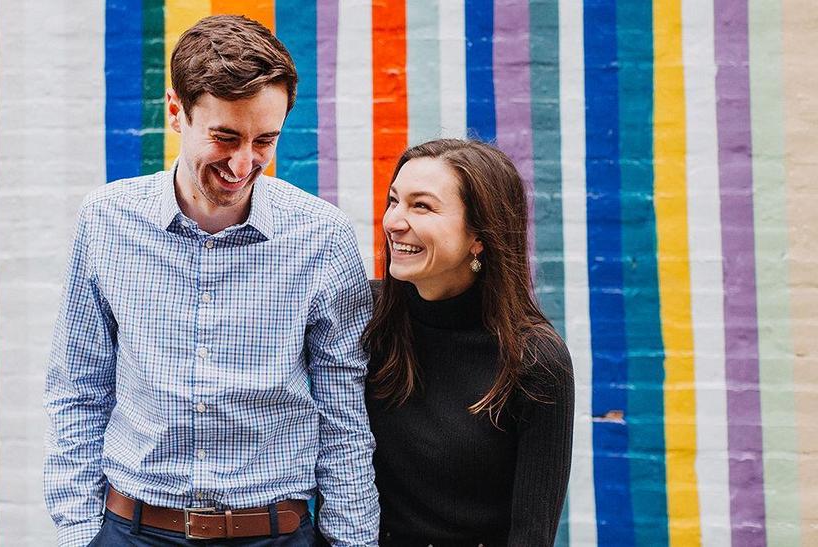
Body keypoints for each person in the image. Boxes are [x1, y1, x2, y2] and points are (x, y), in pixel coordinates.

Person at [44, 15, 378, 546]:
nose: (243, 164)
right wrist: (81, 533)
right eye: (225, 137)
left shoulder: (323, 237)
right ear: (176, 111)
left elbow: (345, 415)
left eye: (264, 140)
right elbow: (77, 389)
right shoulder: (106, 221)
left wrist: (352, 541)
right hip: (133, 532)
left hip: (276, 534)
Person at [363, 139, 574, 546]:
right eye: (394, 201)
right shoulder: (365, 317)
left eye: (421, 206)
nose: (393, 221)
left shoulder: (535, 360)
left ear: (479, 235)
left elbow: (531, 533)